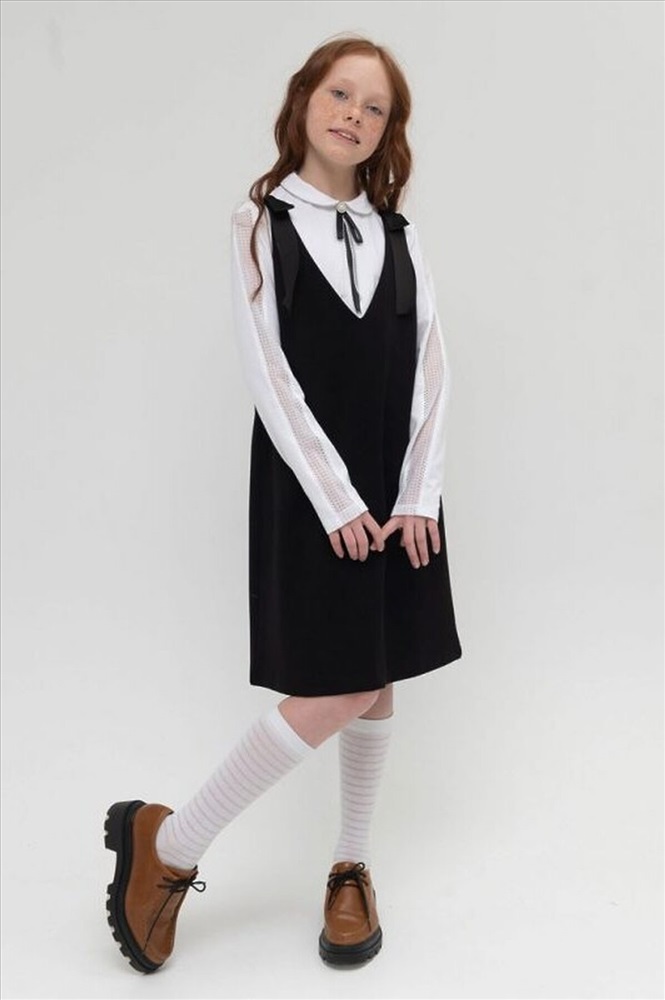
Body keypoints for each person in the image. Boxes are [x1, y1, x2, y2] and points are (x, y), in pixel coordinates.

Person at [103, 33, 462, 975]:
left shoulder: (399, 234)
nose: (353, 115)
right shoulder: (259, 221)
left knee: (378, 673)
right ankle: (171, 843)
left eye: (374, 107)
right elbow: (268, 370)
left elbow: (431, 365)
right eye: (339, 94)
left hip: (397, 488)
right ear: (303, 99)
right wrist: (337, 498)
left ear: (388, 130)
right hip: (313, 488)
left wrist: (417, 492)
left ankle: (350, 865)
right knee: (340, 681)